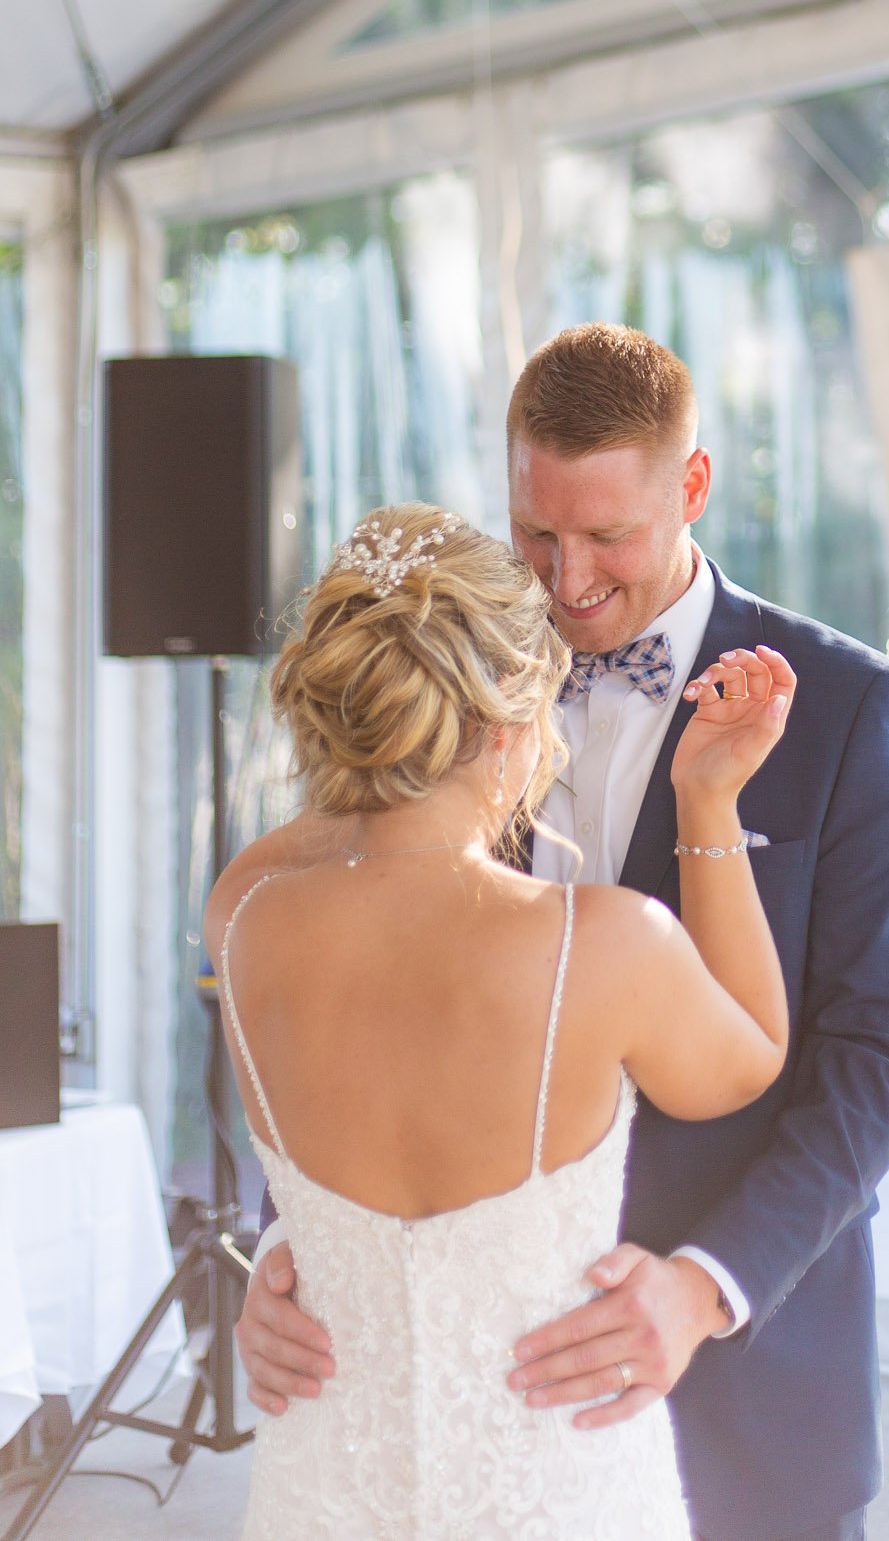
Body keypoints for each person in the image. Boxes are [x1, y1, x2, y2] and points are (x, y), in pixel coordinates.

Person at [239, 325, 889, 1541]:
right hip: (461, 1387)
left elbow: (878, 1057)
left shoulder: (840, 708)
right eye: (535, 533)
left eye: (607, 536)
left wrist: (702, 1287)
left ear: (691, 485)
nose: (564, 583)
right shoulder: (447, 688)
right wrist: (293, 1248)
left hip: (752, 1375)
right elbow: (338, 989)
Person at [209, 501, 797, 1540]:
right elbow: (750, 1057)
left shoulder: (246, 913)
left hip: (324, 1488)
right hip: (554, 1487)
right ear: (506, 723)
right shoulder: (607, 944)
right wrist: (708, 803)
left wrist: (374, 752)